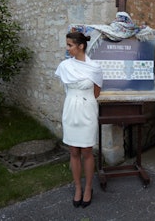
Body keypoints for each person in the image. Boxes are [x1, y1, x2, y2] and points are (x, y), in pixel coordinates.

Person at [55, 32, 103, 208]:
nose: (67, 48)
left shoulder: (95, 68)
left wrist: (84, 101)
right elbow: (67, 89)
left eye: (70, 45)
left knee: (87, 151)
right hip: (70, 109)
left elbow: (96, 92)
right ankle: (77, 187)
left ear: (80, 46)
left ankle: (89, 187)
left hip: (87, 110)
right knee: (73, 151)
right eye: (67, 45)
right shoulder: (64, 66)